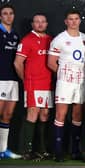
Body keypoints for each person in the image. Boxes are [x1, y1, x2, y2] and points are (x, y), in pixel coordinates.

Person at [48, 9, 85, 161]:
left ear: (80, 20)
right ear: (66, 21)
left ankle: (75, 150)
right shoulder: (59, 39)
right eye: (70, 19)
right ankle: (58, 152)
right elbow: (51, 63)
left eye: (76, 19)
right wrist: (66, 74)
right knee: (60, 114)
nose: (73, 21)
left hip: (81, 82)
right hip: (65, 82)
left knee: (78, 115)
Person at [14, 13, 53, 160]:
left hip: (48, 83)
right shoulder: (27, 40)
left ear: (47, 24)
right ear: (32, 24)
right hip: (33, 83)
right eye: (37, 22)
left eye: (43, 21)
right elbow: (17, 63)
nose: (40, 24)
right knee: (33, 113)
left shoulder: (51, 40)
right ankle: (27, 150)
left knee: (45, 115)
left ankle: (42, 150)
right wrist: (26, 79)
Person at [0, 4, 21, 159]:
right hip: (0, 79)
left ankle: (3, 149)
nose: (8, 16)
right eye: (5, 13)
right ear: (0, 16)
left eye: (11, 13)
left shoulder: (15, 35)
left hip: (13, 80)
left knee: (8, 115)